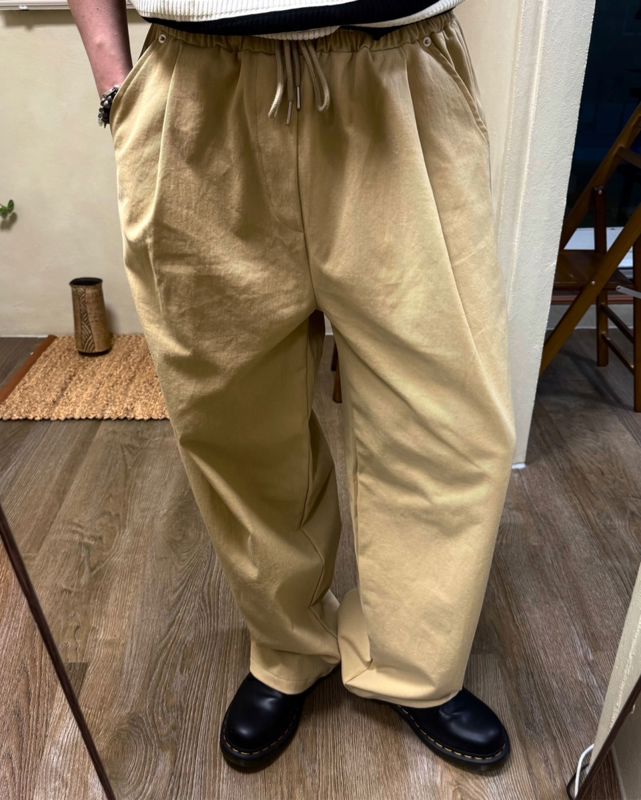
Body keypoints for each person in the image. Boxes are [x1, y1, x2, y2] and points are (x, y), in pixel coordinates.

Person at [70, 0, 516, 774]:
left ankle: (414, 662)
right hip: (198, 87)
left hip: (397, 74)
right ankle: (288, 647)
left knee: (448, 418)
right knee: (234, 423)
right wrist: (117, 89)